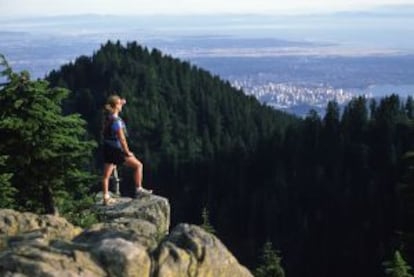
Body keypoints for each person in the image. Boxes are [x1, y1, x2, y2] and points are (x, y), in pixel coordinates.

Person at [101, 94, 152, 205]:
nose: (122, 105)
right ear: (116, 106)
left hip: (107, 148)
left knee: (106, 176)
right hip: (117, 150)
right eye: (120, 104)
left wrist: (121, 101)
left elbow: (116, 103)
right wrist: (127, 152)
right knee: (138, 165)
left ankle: (106, 197)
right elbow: (122, 139)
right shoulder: (117, 122)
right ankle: (139, 189)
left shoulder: (108, 118)